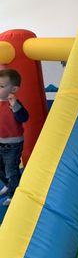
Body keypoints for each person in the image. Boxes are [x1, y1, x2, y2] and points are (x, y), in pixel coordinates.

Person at [0, 69, 29, 206]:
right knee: (1, 168)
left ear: (14, 89)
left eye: (1, 86)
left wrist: (15, 106)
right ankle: (8, 184)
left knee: (11, 170)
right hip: (0, 142)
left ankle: (14, 194)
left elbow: (24, 117)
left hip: (13, 144)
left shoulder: (14, 104)